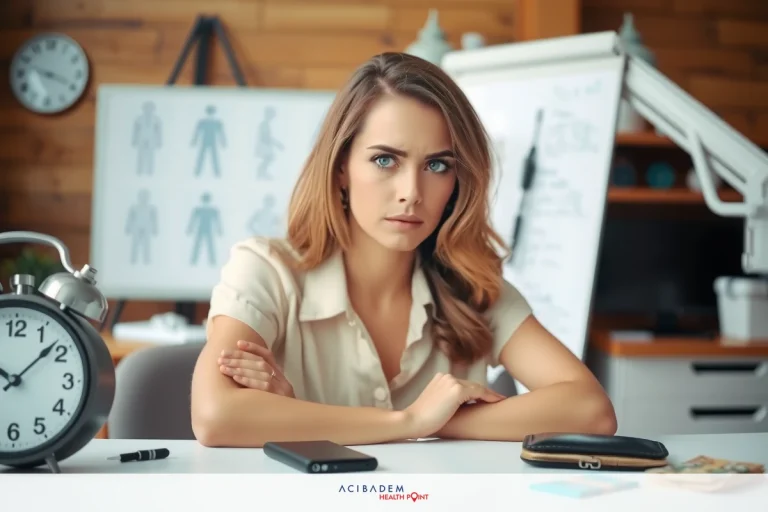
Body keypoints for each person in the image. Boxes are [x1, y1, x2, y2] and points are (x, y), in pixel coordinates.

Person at [190, 52, 617, 448]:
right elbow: (215, 415)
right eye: (385, 160)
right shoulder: (266, 271)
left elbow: (589, 409)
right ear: (341, 167)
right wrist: (409, 423)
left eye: (437, 165)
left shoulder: (473, 289)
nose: (412, 193)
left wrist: (432, 421)